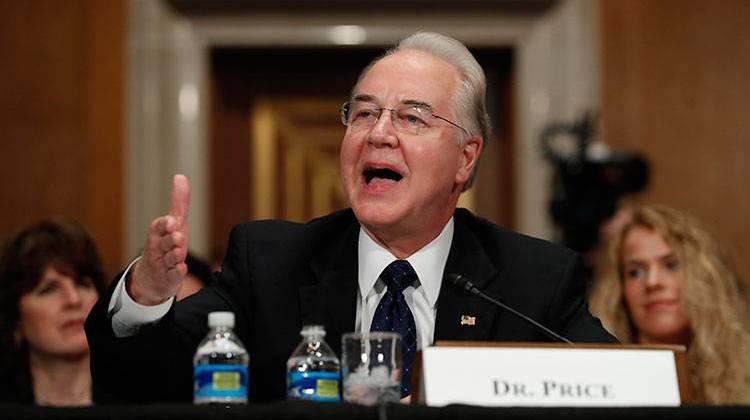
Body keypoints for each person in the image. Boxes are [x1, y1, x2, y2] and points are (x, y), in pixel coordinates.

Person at [85, 32, 616, 404]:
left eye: (411, 117)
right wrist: (148, 296)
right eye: (363, 113)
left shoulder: (534, 280)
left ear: (466, 158)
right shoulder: (271, 262)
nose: (378, 133)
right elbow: (145, 383)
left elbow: (625, 388)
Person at [588, 204, 750, 404]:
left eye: (671, 265)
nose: (652, 282)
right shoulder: (598, 381)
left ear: (705, 278)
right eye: (635, 272)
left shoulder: (744, 375)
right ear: (620, 291)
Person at [0, 219, 107, 406]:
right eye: (49, 289)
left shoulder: (144, 398)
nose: (73, 300)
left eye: (82, 284)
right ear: (16, 321)